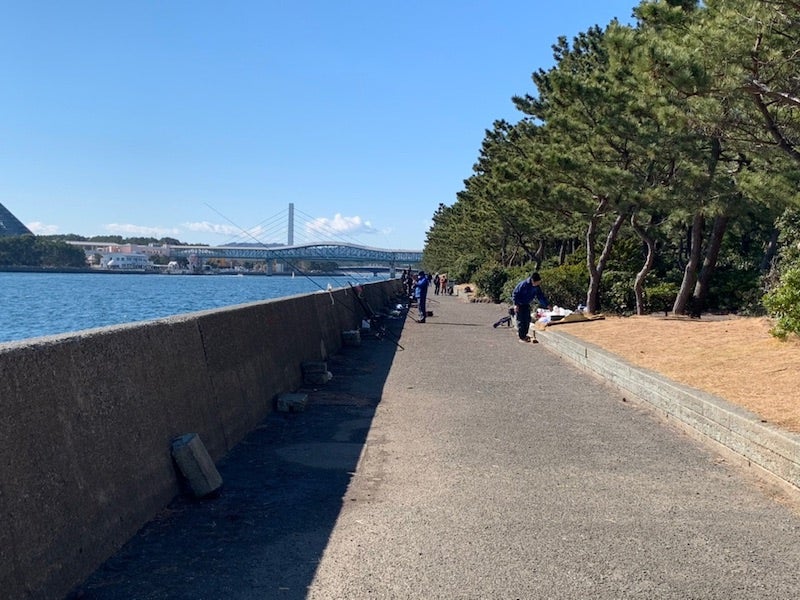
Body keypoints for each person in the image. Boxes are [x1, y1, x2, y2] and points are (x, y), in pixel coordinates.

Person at [511, 271, 551, 343]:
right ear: (533, 281)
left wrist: (547, 305)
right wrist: (516, 304)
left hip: (526, 304)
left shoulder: (536, 287)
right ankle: (522, 337)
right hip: (519, 304)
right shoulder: (523, 285)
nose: (538, 284)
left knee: (527, 320)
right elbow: (515, 294)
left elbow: (540, 296)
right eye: (537, 282)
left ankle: (524, 335)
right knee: (521, 320)